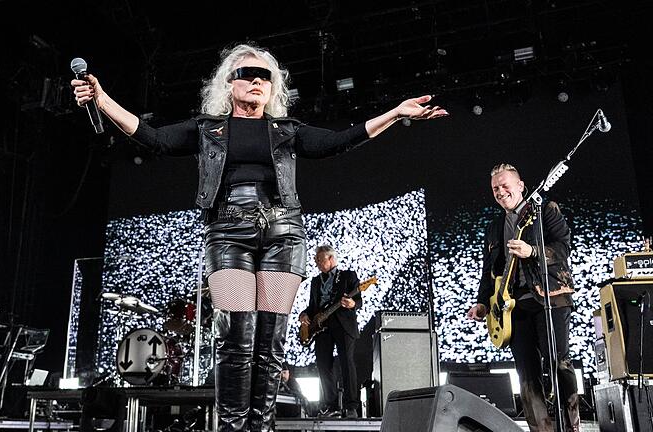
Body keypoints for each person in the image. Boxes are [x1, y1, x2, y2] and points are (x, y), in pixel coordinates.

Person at [72, 42, 447, 431]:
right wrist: (101, 100)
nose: (256, 80)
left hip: (283, 236)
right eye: (246, 74)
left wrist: (397, 112)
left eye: (265, 76)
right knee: (236, 340)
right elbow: (152, 137)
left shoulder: (286, 131)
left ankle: (262, 427)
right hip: (228, 233)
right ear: (228, 84)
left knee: (270, 344)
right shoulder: (207, 129)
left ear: (273, 88)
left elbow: (338, 141)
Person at [466, 164, 580, 432]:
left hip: (550, 297)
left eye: (505, 185)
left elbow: (564, 247)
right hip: (512, 309)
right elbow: (489, 271)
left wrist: (533, 251)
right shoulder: (494, 228)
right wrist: (483, 302)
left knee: (558, 362)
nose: (500, 191)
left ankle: (571, 427)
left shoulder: (545, 210)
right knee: (526, 376)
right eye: (495, 188)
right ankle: (541, 429)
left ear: (521, 185)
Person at [299, 245, 361, 418]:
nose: (317, 263)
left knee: (347, 364)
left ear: (331, 259)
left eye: (320, 259)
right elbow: (313, 307)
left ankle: (351, 406)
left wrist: (352, 304)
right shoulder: (315, 281)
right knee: (323, 366)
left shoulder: (348, 276)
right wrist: (304, 315)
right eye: (316, 260)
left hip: (343, 325)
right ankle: (331, 405)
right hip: (322, 329)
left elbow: (358, 300)